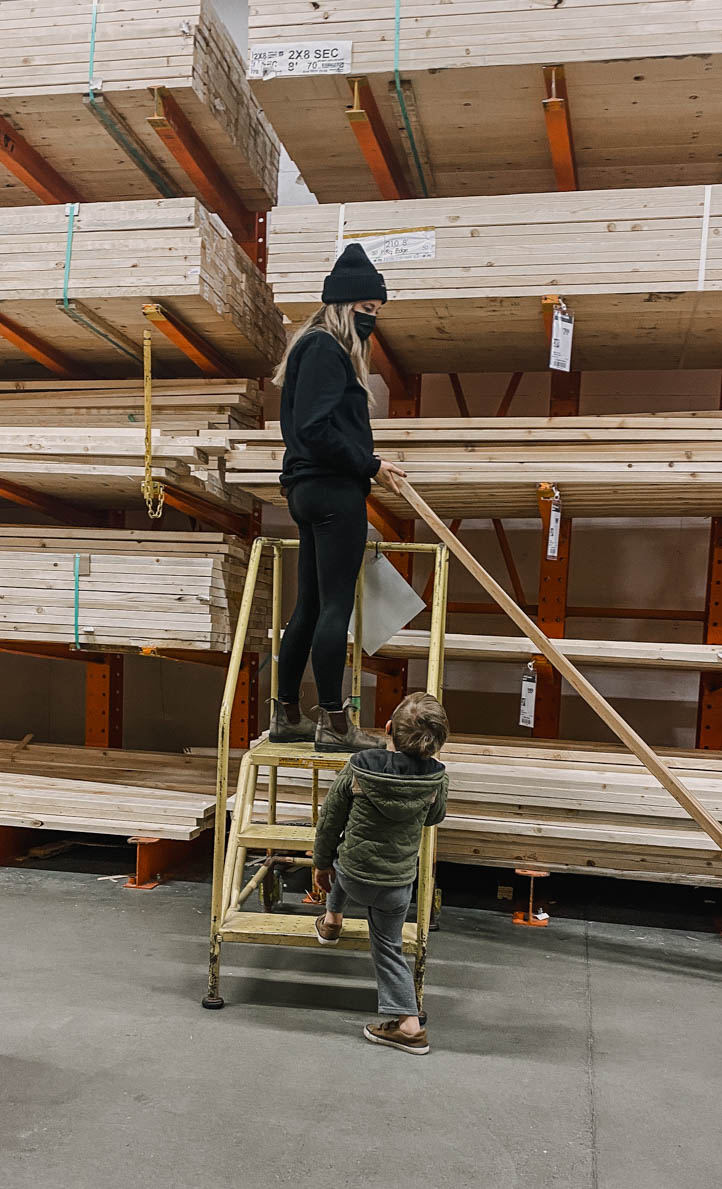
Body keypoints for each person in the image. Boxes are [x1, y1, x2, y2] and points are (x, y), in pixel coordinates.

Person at [268, 242, 408, 752]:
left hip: (307, 490)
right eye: (367, 310)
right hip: (332, 492)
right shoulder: (327, 348)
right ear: (345, 305)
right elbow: (316, 429)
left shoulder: (310, 346)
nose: (372, 320)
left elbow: (308, 429)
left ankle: (286, 715)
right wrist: (371, 464)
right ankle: (335, 721)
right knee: (334, 609)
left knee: (308, 606)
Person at [311, 692, 450, 1055]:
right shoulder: (436, 780)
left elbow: (330, 821)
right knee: (388, 949)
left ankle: (331, 920)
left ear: (388, 729)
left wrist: (321, 864)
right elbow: (435, 818)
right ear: (438, 742)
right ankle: (408, 1025)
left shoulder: (359, 766)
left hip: (351, 876)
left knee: (347, 856)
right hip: (395, 886)